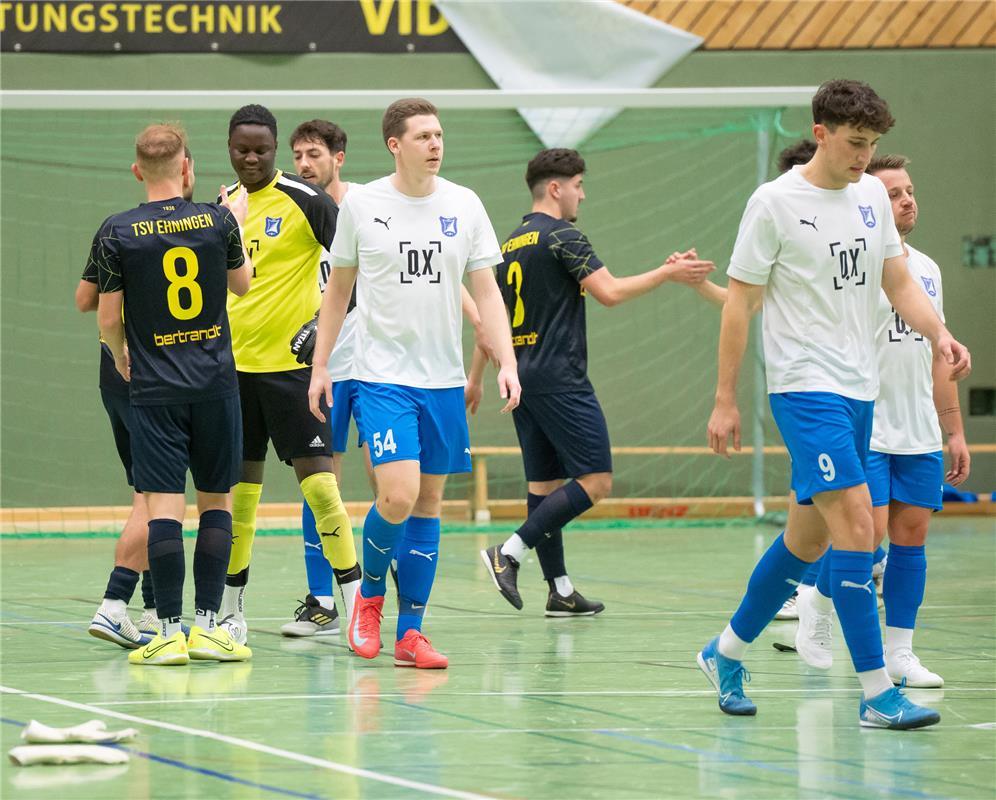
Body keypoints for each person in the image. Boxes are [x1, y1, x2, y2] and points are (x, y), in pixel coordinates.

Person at [698, 79, 970, 729]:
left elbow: (896, 278)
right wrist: (724, 399)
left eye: (873, 144)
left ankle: (725, 650)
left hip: (860, 387)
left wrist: (939, 332)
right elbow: (739, 303)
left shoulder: (872, 193)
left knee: (804, 541)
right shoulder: (774, 204)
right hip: (803, 385)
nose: (863, 156)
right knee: (858, 528)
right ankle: (878, 692)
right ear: (820, 133)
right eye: (854, 143)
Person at [307, 97, 520, 669]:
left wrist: (506, 359)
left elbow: (487, 291)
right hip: (381, 376)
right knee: (396, 495)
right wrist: (322, 364)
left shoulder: (465, 204)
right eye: (423, 135)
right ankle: (369, 597)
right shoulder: (364, 205)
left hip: (443, 380)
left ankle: (413, 632)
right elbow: (337, 292)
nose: (435, 143)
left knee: (428, 504)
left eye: (440, 134)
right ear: (395, 145)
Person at [478, 147, 715, 614]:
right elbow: (609, 292)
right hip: (561, 377)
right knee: (597, 479)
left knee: (544, 488)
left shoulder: (507, 244)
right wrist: (668, 273)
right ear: (556, 188)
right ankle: (507, 553)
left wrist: (476, 378)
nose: (582, 196)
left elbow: (490, 323)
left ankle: (560, 590)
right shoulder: (564, 235)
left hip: (522, 376)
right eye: (578, 186)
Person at [790, 154, 971, 687]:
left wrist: (954, 429)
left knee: (911, 535)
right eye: (893, 193)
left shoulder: (929, 270)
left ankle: (901, 652)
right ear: (867, 204)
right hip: (865, 422)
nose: (907, 200)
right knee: (863, 538)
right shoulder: (849, 267)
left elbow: (937, 356)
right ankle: (817, 607)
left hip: (917, 427)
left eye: (910, 190)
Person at [93, 122, 253, 665]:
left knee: (162, 508)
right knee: (217, 502)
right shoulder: (218, 220)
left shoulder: (117, 231)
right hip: (214, 383)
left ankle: (167, 633)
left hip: (155, 388)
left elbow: (108, 315)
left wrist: (118, 353)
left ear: (138, 170)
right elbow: (243, 284)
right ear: (186, 167)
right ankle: (210, 627)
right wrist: (240, 225)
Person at [219, 105, 361, 647]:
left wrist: (317, 327)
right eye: (241, 149)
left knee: (323, 488)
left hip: (294, 376)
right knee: (239, 497)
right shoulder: (221, 208)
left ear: (274, 149)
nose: (251, 157)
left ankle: (353, 608)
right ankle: (230, 608)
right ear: (229, 149)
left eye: (261, 149)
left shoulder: (309, 202)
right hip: (232, 377)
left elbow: (356, 277)